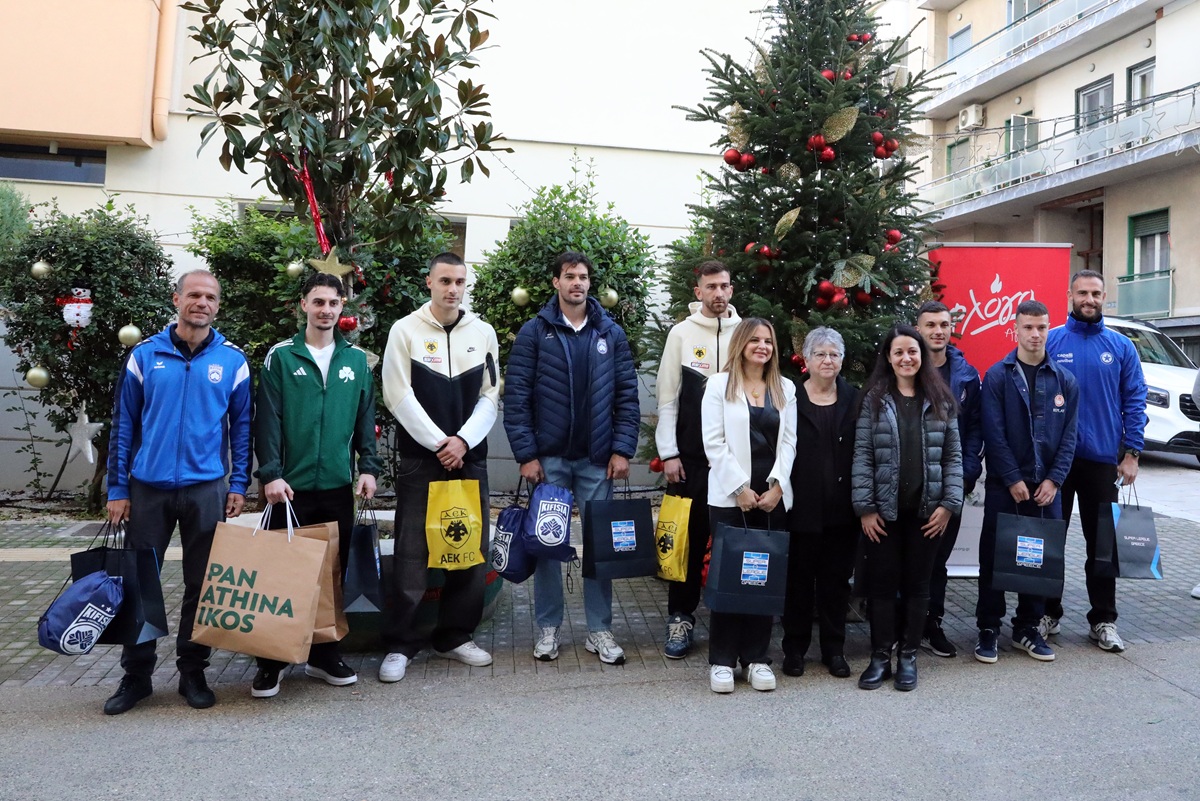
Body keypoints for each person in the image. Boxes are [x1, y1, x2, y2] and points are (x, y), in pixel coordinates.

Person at [103, 270, 252, 715]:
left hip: (206, 487)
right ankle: (136, 676)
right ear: (177, 299)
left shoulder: (232, 360)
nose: (201, 303)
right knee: (140, 583)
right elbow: (123, 424)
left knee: (202, 584)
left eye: (210, 297)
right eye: (194, 295)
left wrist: (238, 483)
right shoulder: (144, 355)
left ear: (217, 306)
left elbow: (243, 427)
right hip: (147, 488)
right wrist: (118, 487)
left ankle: (192, 671)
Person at [504, 251, 640, 665]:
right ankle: (548, 628)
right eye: (569, 276)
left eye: (582, 276)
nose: (576, 282)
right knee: (546, 543)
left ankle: (599, 631)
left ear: (589, 283)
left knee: (600, 548)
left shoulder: (610, 333)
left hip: (597, 459)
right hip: (551, 461)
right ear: (556, 283)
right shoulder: (534, 332)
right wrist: (527, 454)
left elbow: (627, 395)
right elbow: (517, 397)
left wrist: (622, 449)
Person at [250, 272, 380, 698]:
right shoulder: (281, 357)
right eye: (318, 302)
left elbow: (365, 418)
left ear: (343, 308)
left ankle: (324, 655)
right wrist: (271, 473)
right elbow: (268, 420)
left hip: (337, 486)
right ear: (303, 305)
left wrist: (368, 467)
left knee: (330, 575)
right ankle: (272, 661)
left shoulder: (357, 361)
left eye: (333, 303)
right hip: (288, 488)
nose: (326, 310)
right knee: (280, 575)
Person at [378, 252, 500, 682]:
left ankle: (454, 637)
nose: (453, 289)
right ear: (429, 282)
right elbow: (396, 393)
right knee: (412, 553)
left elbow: (490, 395)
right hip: (421, 459)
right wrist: (439, 443)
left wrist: (463, 441)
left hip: (470, 457)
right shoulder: (405, 330)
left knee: (469, 549)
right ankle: (401, 644)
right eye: (445, 281)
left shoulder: (483, 332)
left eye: (460, 282)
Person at [851, 324, 963, 692]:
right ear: (888, 357)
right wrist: (865, 508)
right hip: (883, 515)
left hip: (927, 515)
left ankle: (909, 657)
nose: (906, 358)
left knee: (918, 586)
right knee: (882, 588)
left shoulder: (941, 400)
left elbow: (954, 457)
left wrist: (949, 505)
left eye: (912, 351)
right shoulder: (873, 400)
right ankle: (881, 657)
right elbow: (863, 455)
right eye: (898, 352)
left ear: (922, 356)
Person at [1043, 269, 1147, 652]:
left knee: (1103, 546)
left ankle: (1103, 620)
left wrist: (1132, 453)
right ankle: (1047, 613)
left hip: (1103, 461)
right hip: (1056, 463)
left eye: (1096, 293)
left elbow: (1135, 400)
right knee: (1050, 540)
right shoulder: (1051, 341)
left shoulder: (1121, 347)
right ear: (1070, 295)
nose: (1089, 299)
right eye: (1082, 292)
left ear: (1104, 297)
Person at [975, 300, 1078, 664]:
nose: (1035, 334)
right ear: (1016, 330)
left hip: (1047, 489)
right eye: (1029, 327)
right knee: (995, 556)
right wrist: (1012, 478)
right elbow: (993, 433)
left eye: (1042, 327)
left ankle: (1027, 628)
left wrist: (1054, 480)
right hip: (1006, 487)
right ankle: (988, 628)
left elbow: (1069, 437)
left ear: (1049, 329)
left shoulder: (1065, 380)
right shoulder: (998, 376)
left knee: (1039, 560)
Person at [702, 318, 797, 693]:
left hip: (772, 498)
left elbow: (789, 443)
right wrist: (739, 488)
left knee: (763, 578)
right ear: (741, 343)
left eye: (768, 341)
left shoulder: (785, 388)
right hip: (730, 498)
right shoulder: (718, 385)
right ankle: (723, 660)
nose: (762, 346)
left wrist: (778, 486)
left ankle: (757, 658)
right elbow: (714, 442)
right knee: (729, 577)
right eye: (755, 340)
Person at [654, 260, 740, 659]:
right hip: (690, 462)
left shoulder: (745, 333)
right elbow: (667, 399)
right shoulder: (681, 334)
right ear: (699, 291)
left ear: (731, 290)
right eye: (711, 287)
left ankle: (733, 621)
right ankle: (680, 618)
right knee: (687, 543)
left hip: (736, 465)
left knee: (732, 543)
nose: (718, 293)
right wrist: (669, 453)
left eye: (724, 286)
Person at [781, 327, 859, 679]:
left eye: (834, 354)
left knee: (835, 584)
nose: (828, 360)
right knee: (797, 583)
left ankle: (834, 651)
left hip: (842, 512)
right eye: (820, 354)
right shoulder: (790, 397)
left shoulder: (855, 399)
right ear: (807, 359)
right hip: (801, 508)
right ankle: (795, 650)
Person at [913, 300, 983, 659]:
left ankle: (932, 625)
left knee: (938, 561)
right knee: (909, 560)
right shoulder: (906, 368)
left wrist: (966, 475)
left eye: (943, 324)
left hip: (950, 485)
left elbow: (976, 430)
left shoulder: (967, 375)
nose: (938, 331)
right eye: (930, 325)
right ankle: (904, 628)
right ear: (918, 329)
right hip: (910, 485)